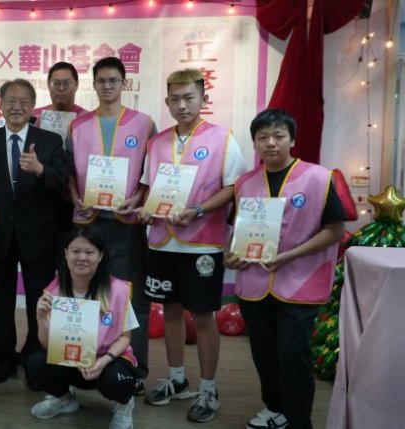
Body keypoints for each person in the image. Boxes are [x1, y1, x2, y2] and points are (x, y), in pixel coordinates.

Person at [137, 68, 246, 422]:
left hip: (203, 244)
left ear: (203, 99)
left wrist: (198, 209)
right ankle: (177, 379)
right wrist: (144, 209)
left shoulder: (223, 138)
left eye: (189, 98)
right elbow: (150, 188)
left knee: (202, 316)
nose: (182, 105)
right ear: (167, 101)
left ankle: (209, 387)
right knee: (169, 312)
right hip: (161, 242)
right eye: (175, 99)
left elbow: (234, 187)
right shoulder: (156, 142)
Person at [225, 109, 345, 429]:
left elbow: (335, 230)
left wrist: (290, 256)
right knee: (264, 354)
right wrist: (229, 257)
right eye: (262, 137)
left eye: (279, 136)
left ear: (292, 140)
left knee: (293, 354)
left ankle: (299, 421)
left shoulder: (319, 177)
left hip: (301, 282)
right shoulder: (245, 183)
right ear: (254, 143)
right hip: (254, 283)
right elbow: (236, 233)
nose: (270, 143)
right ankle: (275, 409)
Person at [67, 56, 154, 397]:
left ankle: (135, 369)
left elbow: (152, 172)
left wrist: (139, 199)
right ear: (94, 84)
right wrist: (76, 198)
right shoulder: (78, 125)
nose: (107, 86)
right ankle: (83, 365)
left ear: (124, 83)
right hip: (88, 224)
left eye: (113, 80)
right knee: (86, 295)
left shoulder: (144, 123)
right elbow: (69, 173)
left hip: (125, 223)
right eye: (101, 80)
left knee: (131, 298)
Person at [0, 78, 71, 384]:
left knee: (36, 302)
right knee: (0, 302)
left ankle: (33, 357)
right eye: (11, 101)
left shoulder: (50, 141)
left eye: (23, 101)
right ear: (1, 105)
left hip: (38, 234)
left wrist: (40, 170)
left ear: (33, 107)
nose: (17, 107)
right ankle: (3, 359)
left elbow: (62, 181)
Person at [27, 227, 138, 429]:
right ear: (66, 253)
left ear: (100, 256)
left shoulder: (118, 290)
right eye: (76, 251)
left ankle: (124, 404)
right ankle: (64, 399)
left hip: (107, 361)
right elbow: (48, 345)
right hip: (72, 360)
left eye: (89, 252)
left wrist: (103, 361)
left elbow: (125, 337)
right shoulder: (54, 291)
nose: (82, 258)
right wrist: (41, 317)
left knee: (118, 381)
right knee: (36, 364)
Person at [33, 61, 89, 251]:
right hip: (43, 193)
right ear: (48, 85)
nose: (61, 88)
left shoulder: (88, 119)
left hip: (77, 197)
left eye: (67, 83)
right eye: (56, 83)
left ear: (76, 85)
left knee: (74, 249)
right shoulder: (35, 118)